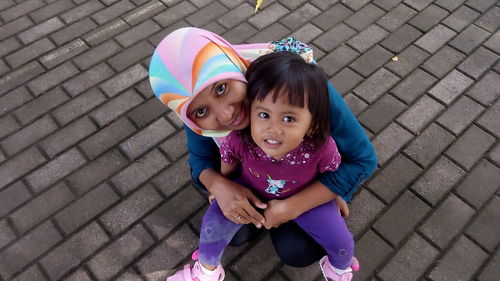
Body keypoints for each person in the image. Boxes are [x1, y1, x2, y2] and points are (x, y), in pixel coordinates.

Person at [149, 27, 376, 274]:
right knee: (235, 232)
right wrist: (219, 186)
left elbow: (362, 159)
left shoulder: (301, 90)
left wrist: (315, 197)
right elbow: (200, 159)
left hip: (303, 180)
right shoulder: (190, 95)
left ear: (233, 65)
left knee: (297, 251)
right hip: (249, 177)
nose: (227, 114)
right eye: (201, 112)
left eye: (222, 88)